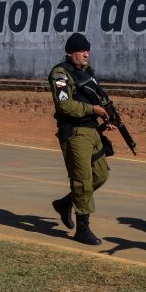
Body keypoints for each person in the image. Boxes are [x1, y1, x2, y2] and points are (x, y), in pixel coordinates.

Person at [48, 33, 114, 245]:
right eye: (81, 50)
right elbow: (65, 105)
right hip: (75, 133)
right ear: (70, 53)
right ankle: (83, 229)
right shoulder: (61, 73)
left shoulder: (87, 72)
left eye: (87, 50)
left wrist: (104, 115)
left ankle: (66, 202)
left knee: (100, 175)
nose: (86, 54)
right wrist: (92, 109)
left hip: (92, 130)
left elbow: (95, 97)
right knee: (82, 180)